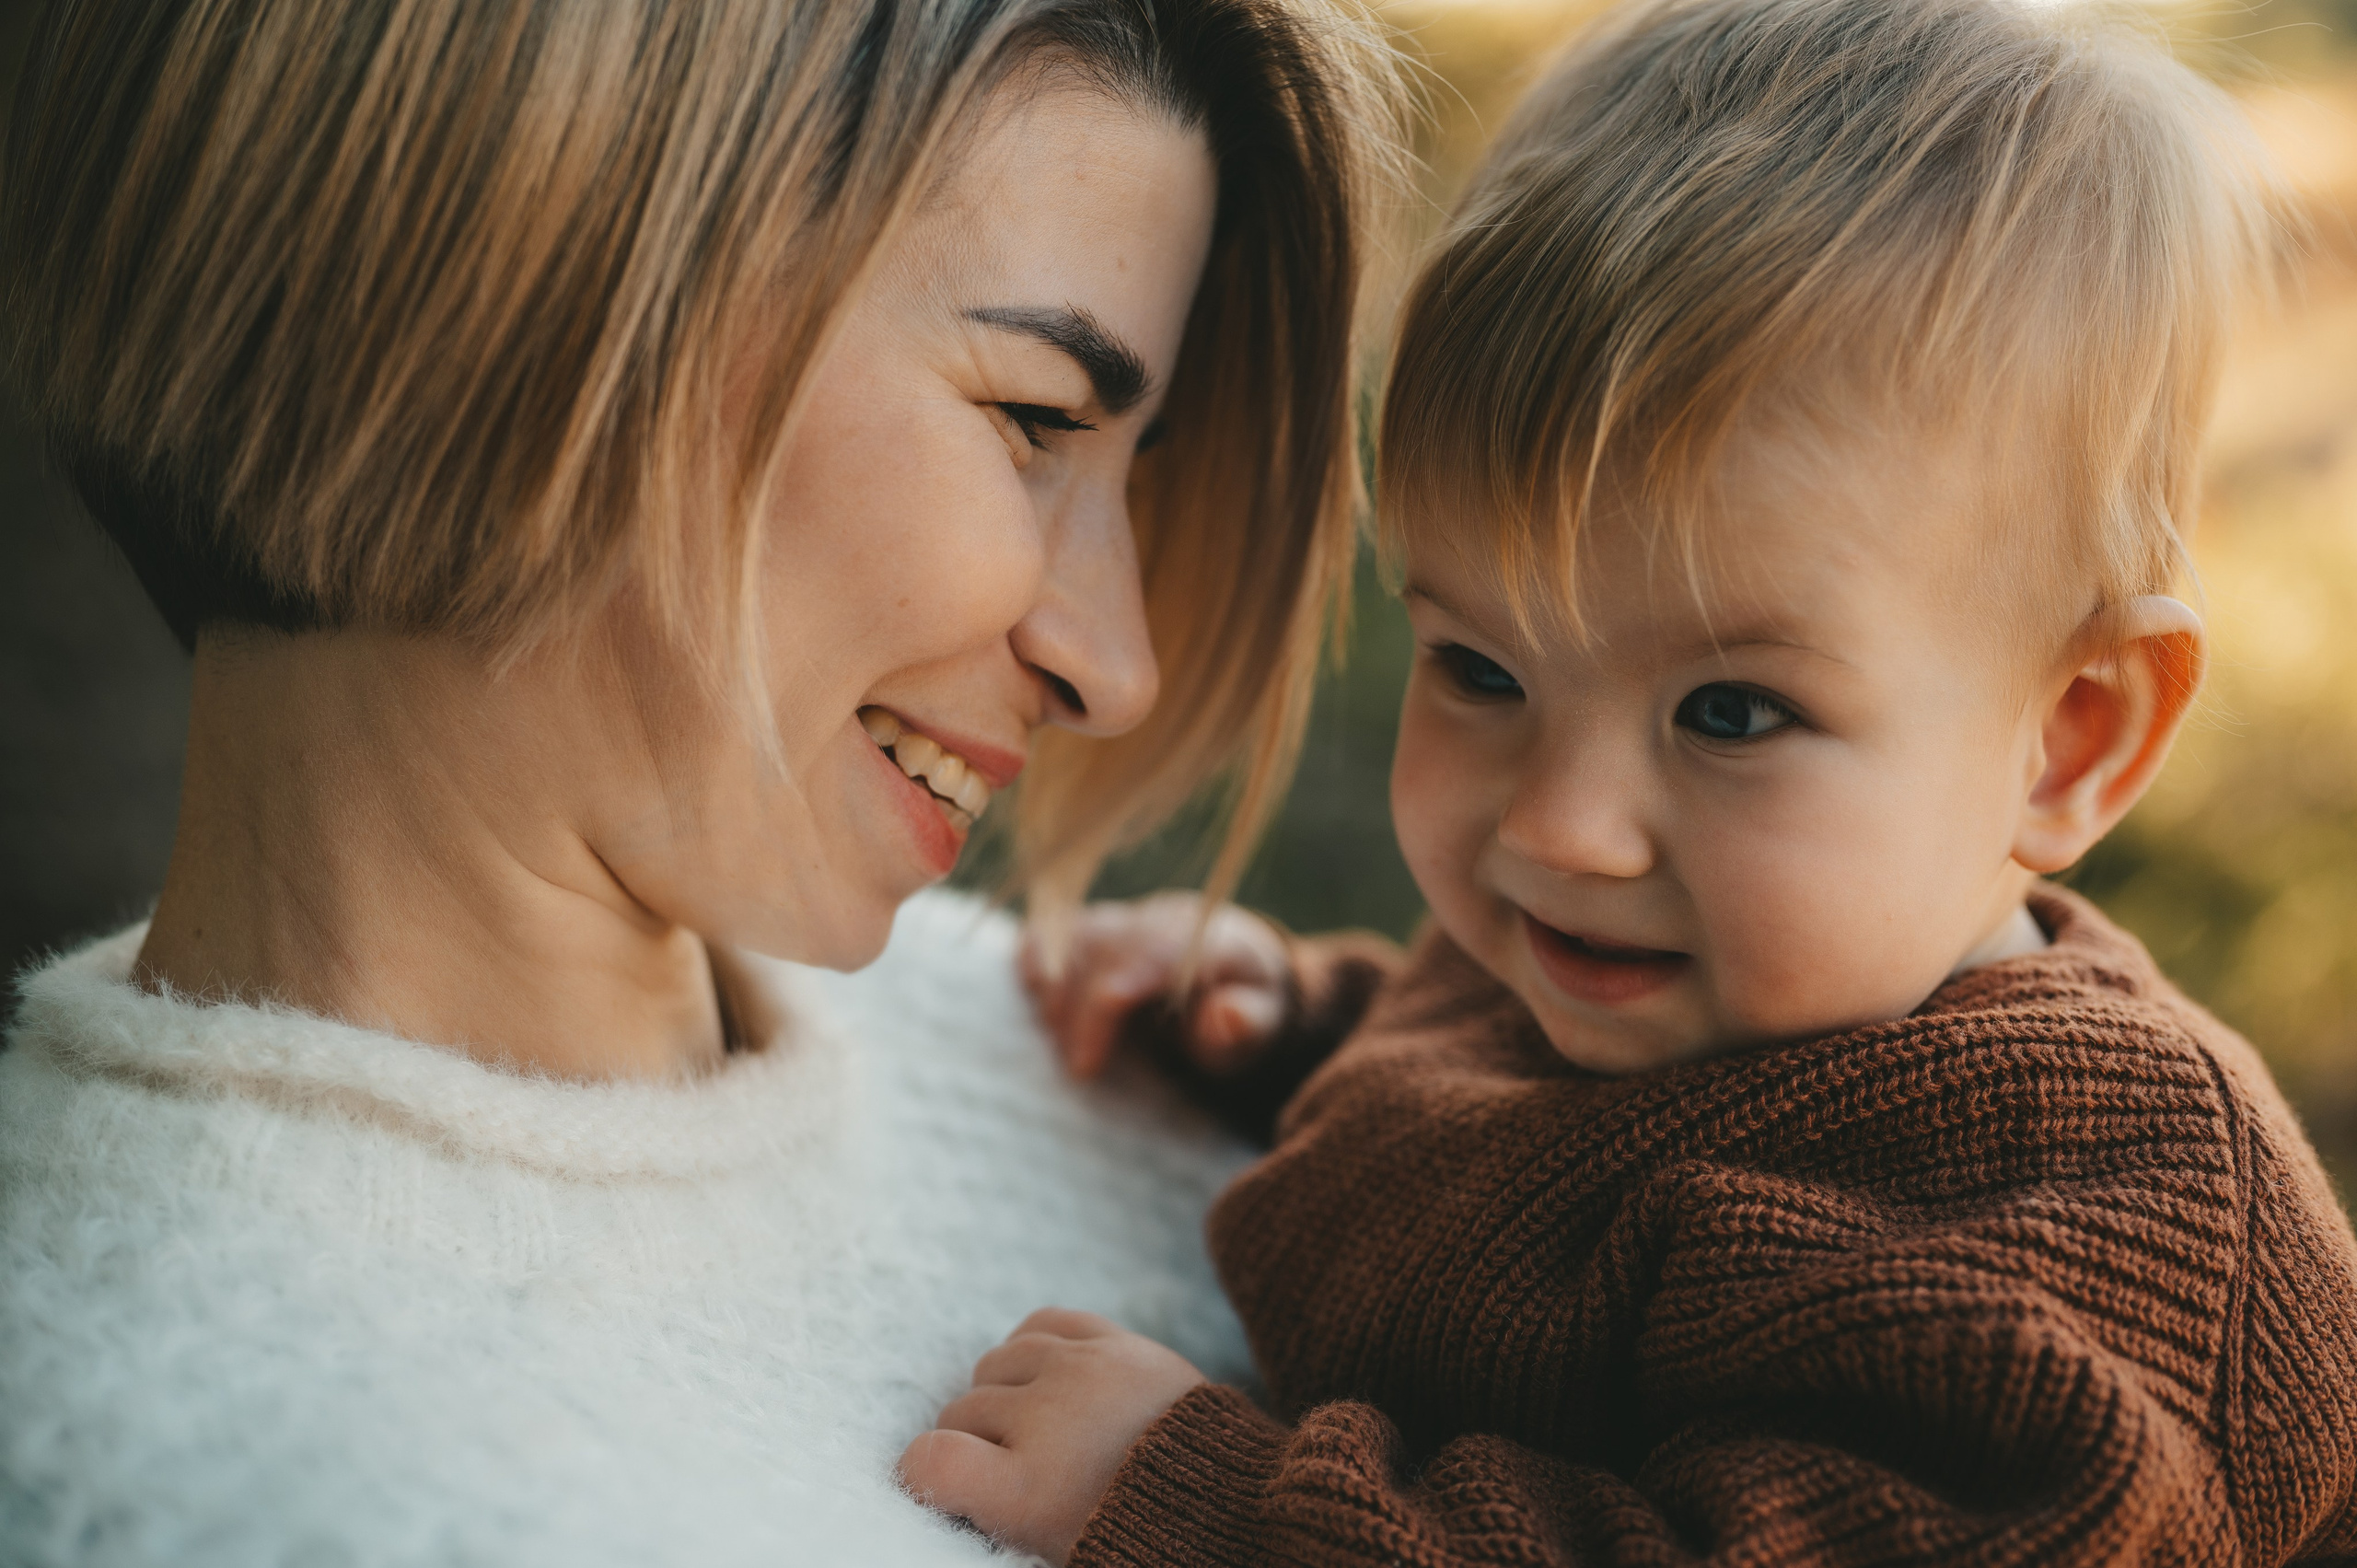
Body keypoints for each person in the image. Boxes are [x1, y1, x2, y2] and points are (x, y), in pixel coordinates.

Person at [899, 0, 2357, 1561]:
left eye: (1730, 713)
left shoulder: (2085, 1220)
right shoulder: (1657, 975)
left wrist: (1223, 1510)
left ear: (2073, 740)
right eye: (1482, 671)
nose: (1558, 828)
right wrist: (1290, 1033)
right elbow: (1510, 1152)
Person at [0, 0, 1399, 1562]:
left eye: (1133, 465)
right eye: (1035, 418)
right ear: (530, 282)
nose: (1117, 666)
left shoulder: (1154, 1082)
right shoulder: (161, 1479)